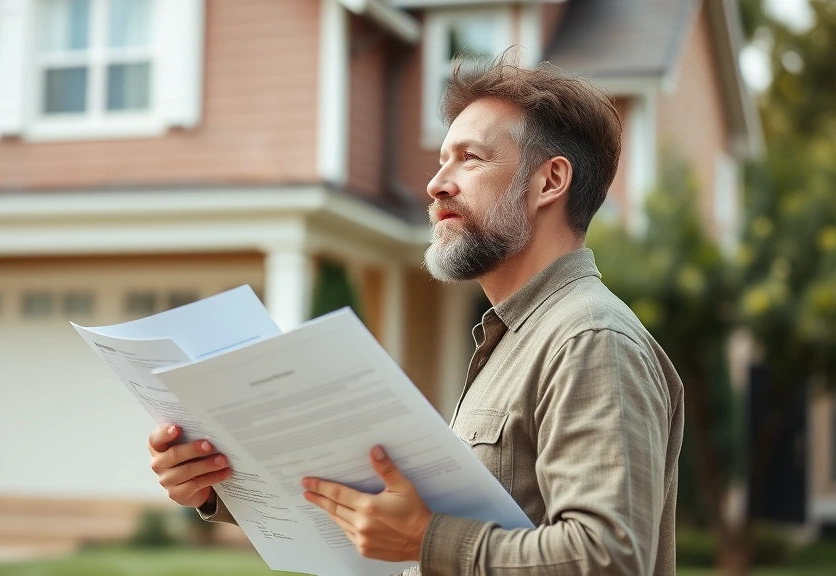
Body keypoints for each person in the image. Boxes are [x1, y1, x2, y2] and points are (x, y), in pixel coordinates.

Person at [146, 51, 684, 576]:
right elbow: (398, 516)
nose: (436, 184)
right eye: (441, 159)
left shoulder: (589, 338)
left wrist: (428, 540)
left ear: (550, 181)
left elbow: (608, 558)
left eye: (469, 158)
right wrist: (223, 484)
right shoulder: (513, 338)